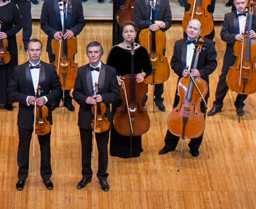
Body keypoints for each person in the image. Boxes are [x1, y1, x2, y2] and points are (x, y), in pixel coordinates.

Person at [8, 39, 62, 191]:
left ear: (41, 51)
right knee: (23, 147)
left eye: (37, 50)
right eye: (32, 50)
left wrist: (46, 99)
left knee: (45, 147)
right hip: (25, 115)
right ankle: (22, 177)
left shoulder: (50, 69)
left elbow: (58, 89)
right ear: (27, 51)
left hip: (44, 116)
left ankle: (46, 176)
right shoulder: (18, 70)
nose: (35, 53)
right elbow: (11, 92)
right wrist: (26, 99)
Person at [158, 18, 218, 158]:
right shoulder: (179, 44)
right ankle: (169, 144)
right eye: (190, 27)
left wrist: (200, 72)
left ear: (200, 31)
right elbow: (174, 62)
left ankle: (194, 146)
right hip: (183, 87)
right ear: (186, 28)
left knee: (199, 115)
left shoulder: (209, 45)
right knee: (176, 113)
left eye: (195, 28)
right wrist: (181, 71)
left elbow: (212, 64)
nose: (191, 30)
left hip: (200, 87)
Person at [207, 0, 256, 117]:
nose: (240, 6)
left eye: (243, 3)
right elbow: (223, 35)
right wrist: (234, 37)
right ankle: (217, 104)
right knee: (224, 79)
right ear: (234, 3)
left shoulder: (255, 17)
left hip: (249, 56)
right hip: (232, 53)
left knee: (247, 79)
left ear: (247, 2)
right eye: (238, 3)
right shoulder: (229, 17)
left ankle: (239, 103)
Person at [72, 41, 120, 192]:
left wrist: (103, 98)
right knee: (86, 148)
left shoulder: (111, 71)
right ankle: (86, 176)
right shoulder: (81, 71)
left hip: (103, 116)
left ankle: (102, 177)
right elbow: (76, 93)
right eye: (90, 52)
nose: (93, 55)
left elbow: (116, 94)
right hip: (86, 115)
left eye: (96, 52)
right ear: (87, 54)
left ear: (101, 53)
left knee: (102, 148)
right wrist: (85, 99)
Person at [105, 21, 151, 158]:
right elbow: (109, 70)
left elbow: (148, 69)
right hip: (120, 89)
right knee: (119, 115)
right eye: (126, 32)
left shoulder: (141, 50)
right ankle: (118, 148)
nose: (129, 34)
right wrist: (115, 78)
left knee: (136, 117)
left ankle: (135, 148)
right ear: (122, 34)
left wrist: (142, 75)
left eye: (131, 31)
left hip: (136, 90)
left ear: (136, 33)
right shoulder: (115, 50)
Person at [40, 0, 85, 111]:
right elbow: (44, 23)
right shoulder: (48, 3)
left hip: (70, 45)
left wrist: (73, 31)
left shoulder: (76, 3)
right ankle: (55, 97)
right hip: (54, 44)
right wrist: (53, 33)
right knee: (55, 72)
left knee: (69, 71)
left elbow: (81, 22)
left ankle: (67, 98)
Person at [132, 0, 171, 111]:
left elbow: (169, 21)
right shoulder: (139, 1)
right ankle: (142, 98)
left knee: (159, 68)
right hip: (144, 41)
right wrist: (151, 24)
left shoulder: (165, 1)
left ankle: (158, 99)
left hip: (159, 42)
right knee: (142, 69)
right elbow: (136, 21)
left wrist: (162, 25)